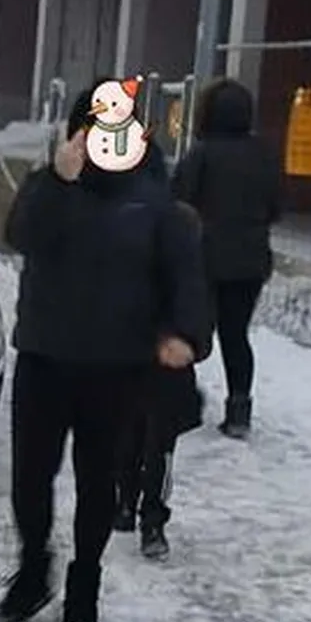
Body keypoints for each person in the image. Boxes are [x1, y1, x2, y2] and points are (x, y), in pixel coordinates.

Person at [0, 87, 210, 622]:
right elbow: (20, 234)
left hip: (117, 364)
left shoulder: (153, 198)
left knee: (100, 479)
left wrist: (182, 334)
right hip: (45, 355)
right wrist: (57, 179)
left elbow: (183, 275)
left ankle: (85, 582)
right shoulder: (51, 186)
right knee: (30, 477)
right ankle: (32, 566)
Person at [173, 76, 283, 439]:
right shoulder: (265, 154)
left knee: (188, 330)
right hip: (251, 260)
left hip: (204, 259)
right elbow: (277, 207)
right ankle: (239, 411)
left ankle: (184, 400)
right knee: (236, 336)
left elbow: (179, 201)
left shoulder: (202, 154)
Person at [115, 201, 208, 560]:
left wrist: (187, 341)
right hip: (133, 356)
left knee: (156, 442)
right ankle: (129, 503)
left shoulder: (185, 255)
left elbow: (196, 306)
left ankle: (150, 516)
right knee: (129, 435)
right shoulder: (126, 247)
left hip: (165, 360)